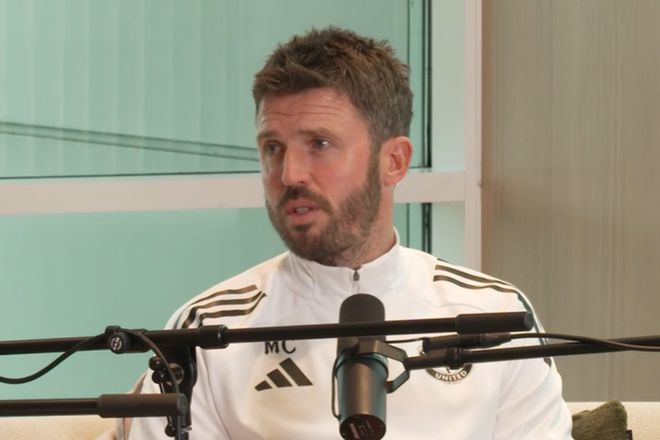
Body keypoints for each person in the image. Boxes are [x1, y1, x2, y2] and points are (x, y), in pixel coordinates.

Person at [122, 27, 573, 439]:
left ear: (393, 161)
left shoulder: (494, 315)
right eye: (273, 148)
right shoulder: (205, 330)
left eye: (320, 144)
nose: (290, 174)